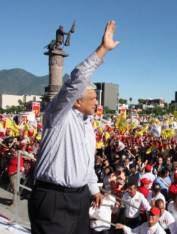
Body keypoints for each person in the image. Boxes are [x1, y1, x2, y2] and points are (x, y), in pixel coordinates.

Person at [28, 21, 120, 234]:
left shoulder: (88, 125)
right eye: (93, 98)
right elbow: (75, 81)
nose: (97, 103)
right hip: (54, 199)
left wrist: (94, 189)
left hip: (80, 199)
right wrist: (103, 49)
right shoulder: (58, 114)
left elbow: (86, 164)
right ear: (76, 101)